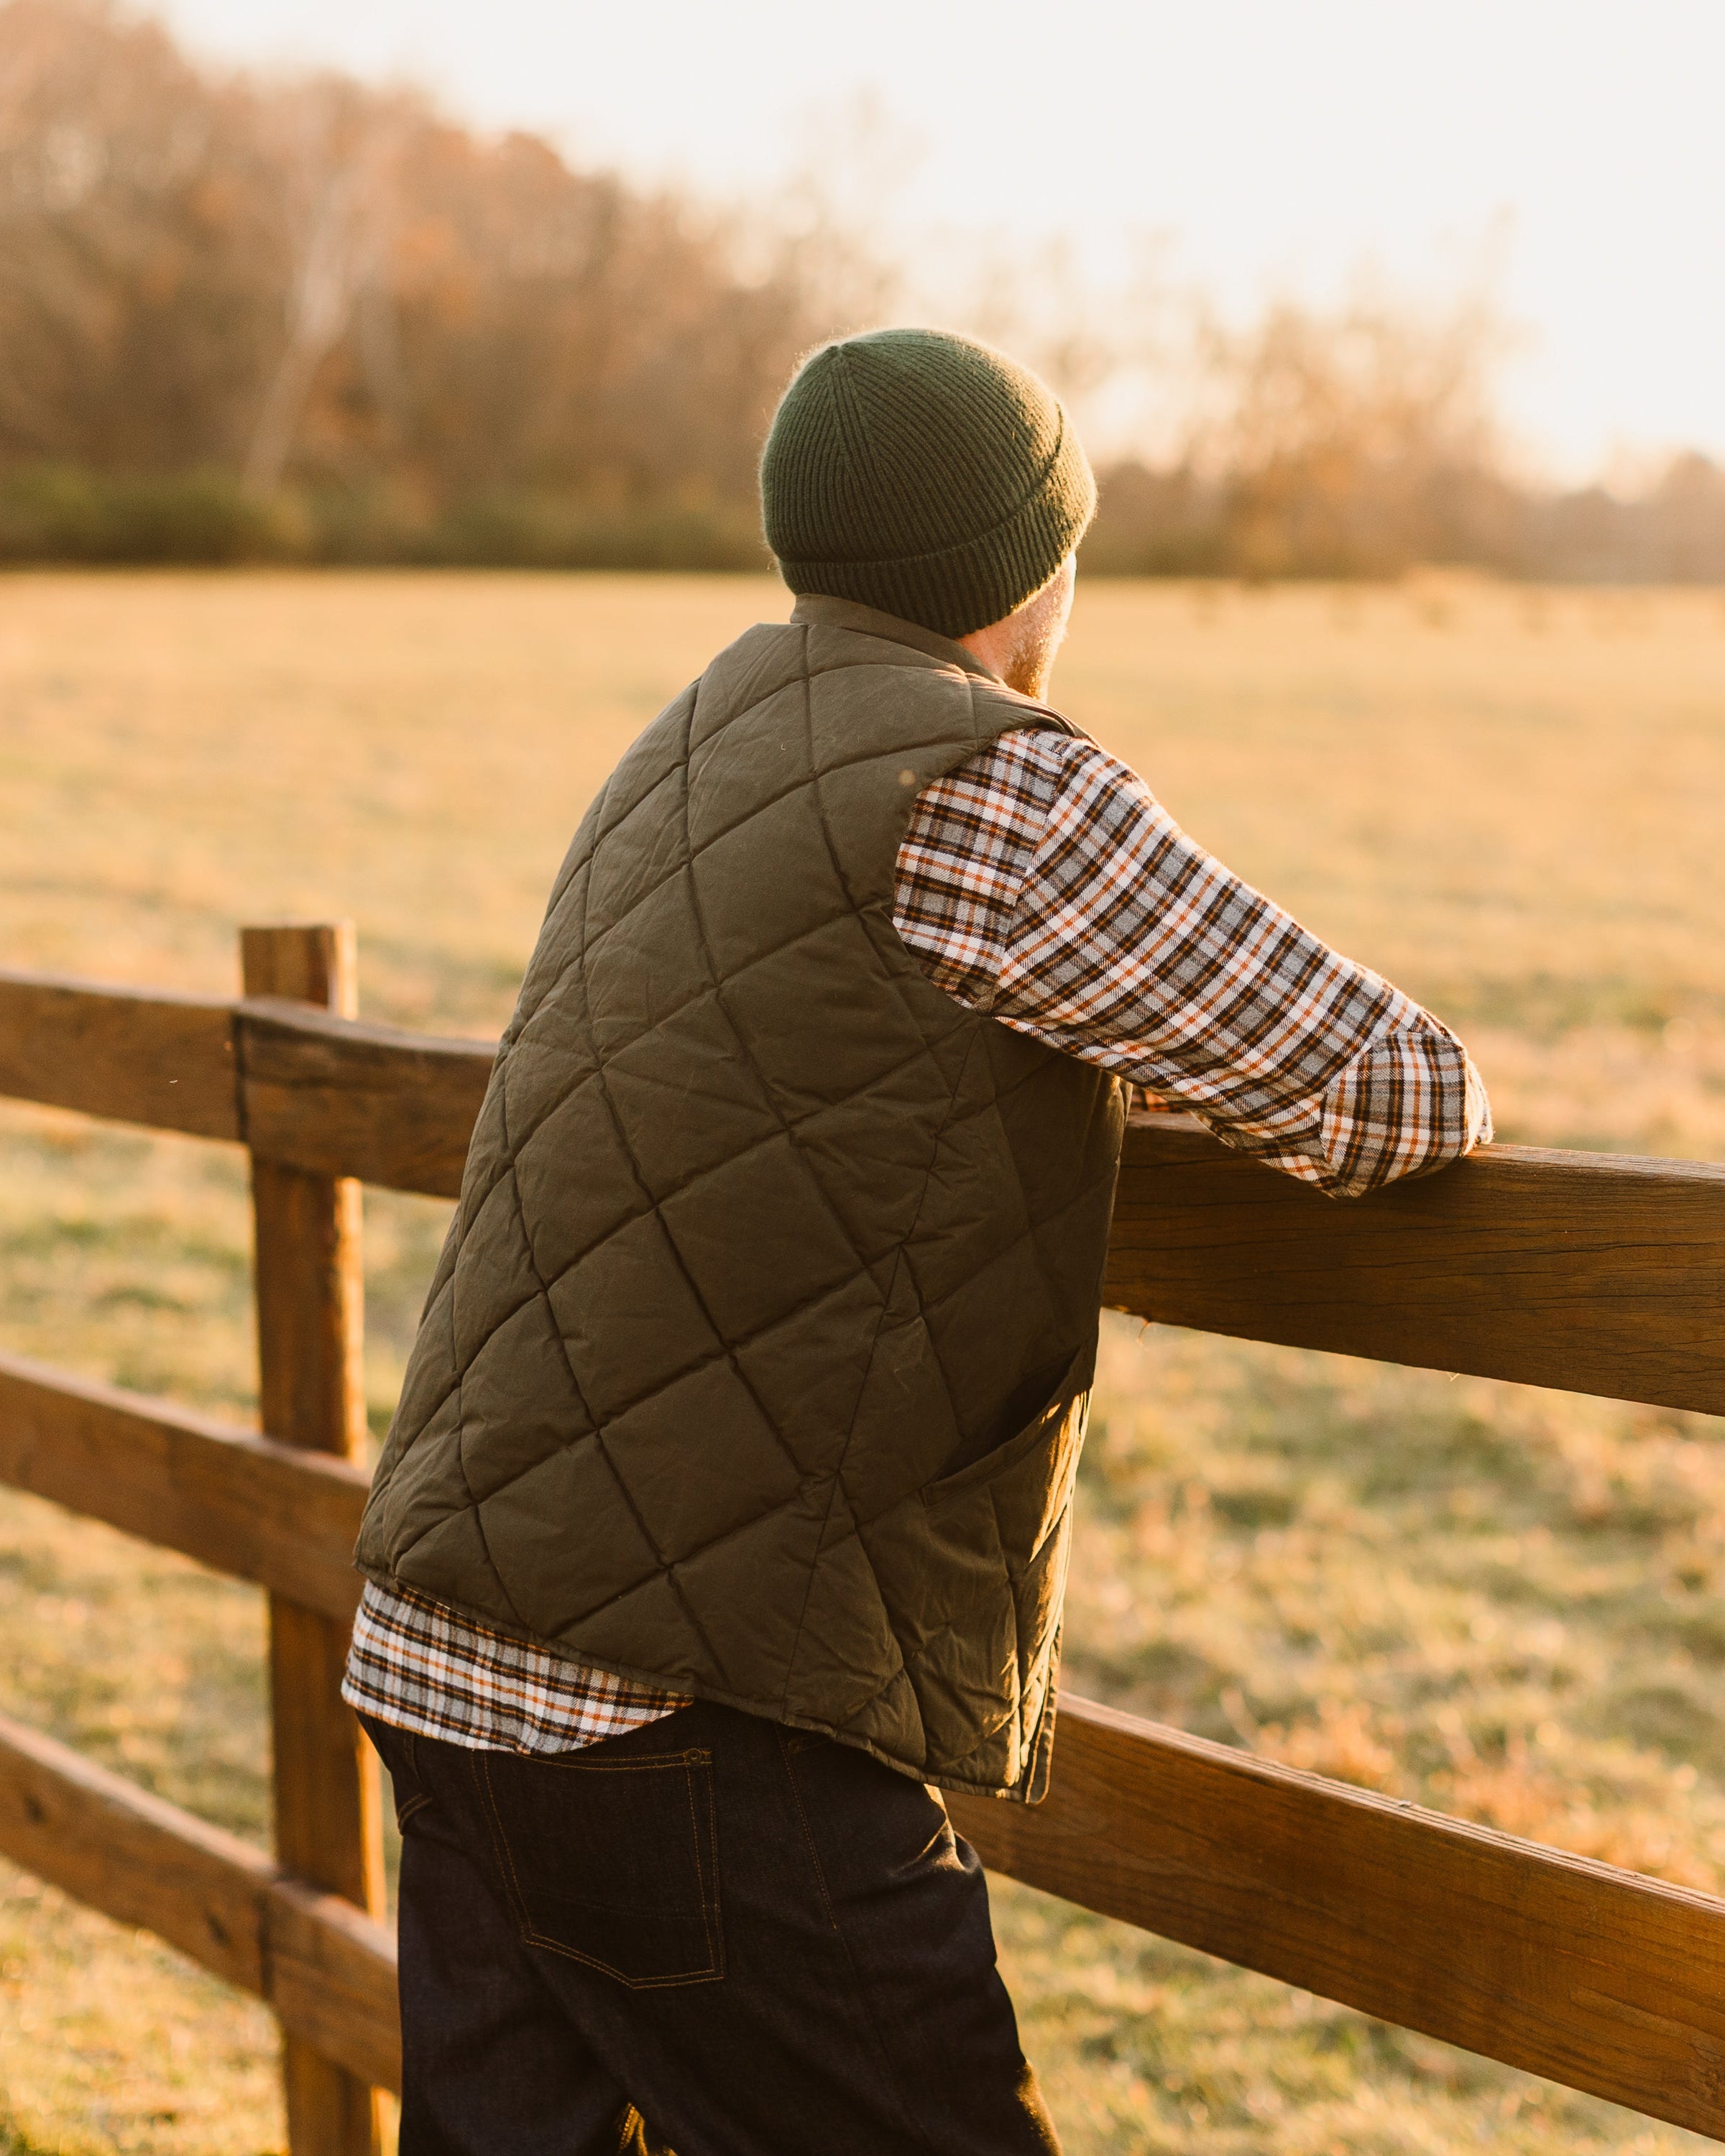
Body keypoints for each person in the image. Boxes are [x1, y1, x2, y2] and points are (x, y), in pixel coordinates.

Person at [344, 327, 1492, 2155]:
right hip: (681, 1709)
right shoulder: (996, 789)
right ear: (1034, 570)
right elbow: (1393, 1090)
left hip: (446, 1646)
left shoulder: (682, 743)